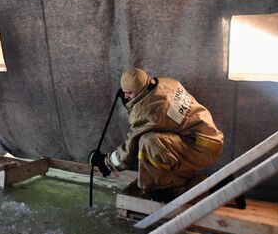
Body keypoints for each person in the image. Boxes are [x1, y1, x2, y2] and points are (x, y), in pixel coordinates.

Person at [89, 68, 224, 202]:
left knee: (149, 142)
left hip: (201, 148)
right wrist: (132, 98)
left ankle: (215, 187)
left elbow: (130, 150)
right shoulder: (165, 83)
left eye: (129, 93)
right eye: (124, 93)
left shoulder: (149, 113)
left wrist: (105, 162)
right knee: (163, 161)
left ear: (139, 91)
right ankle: (211, 182)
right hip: (206, 137)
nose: (125, 97)